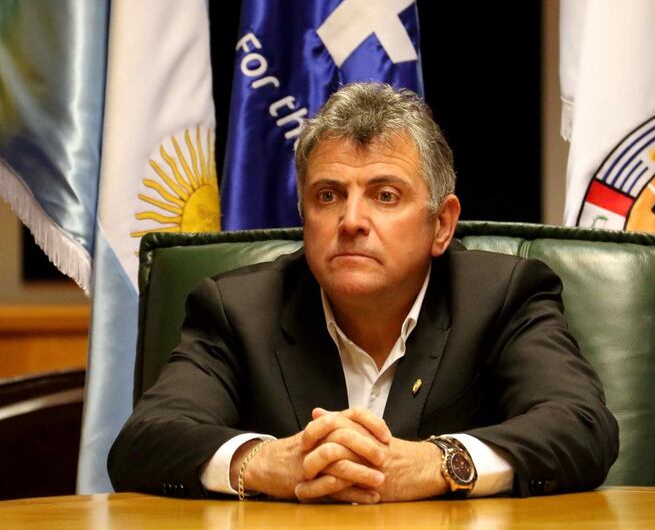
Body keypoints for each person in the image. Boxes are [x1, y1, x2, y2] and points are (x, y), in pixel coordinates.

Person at [108, 82, 618, 503]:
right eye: (328, 195)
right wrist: (262, 462)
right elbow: (145, 440)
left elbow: (581, 426)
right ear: (304, 216)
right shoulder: (237, 310)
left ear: (442, 224)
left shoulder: (503, 297)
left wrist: (439, 463)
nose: (351, 221)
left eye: (385, 195)